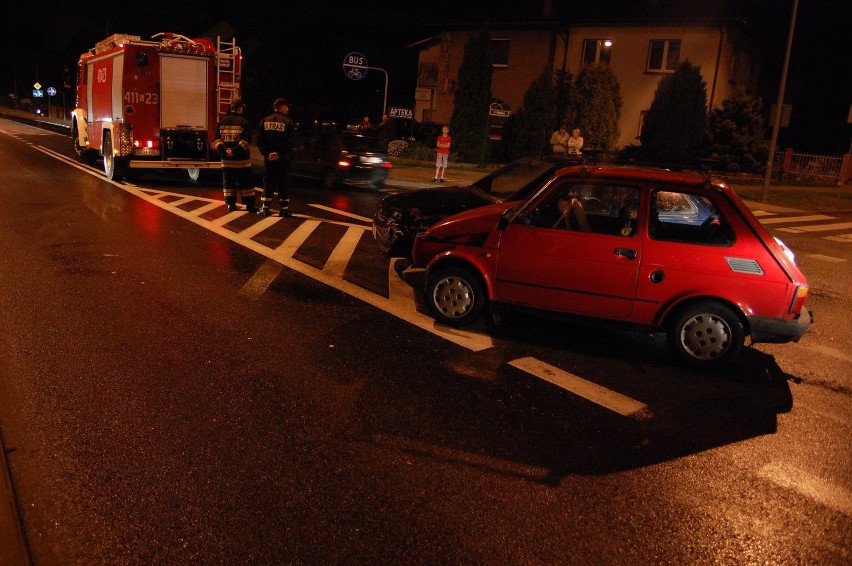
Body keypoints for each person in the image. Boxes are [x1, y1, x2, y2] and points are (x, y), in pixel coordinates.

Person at [212, 99, 256, 212]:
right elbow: (246, 141)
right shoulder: (244, 122)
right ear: (240, 109)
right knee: (246, 184)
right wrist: (235, 151)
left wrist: (225, 150)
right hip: (242, 162)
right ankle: (250, 205)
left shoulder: (222, 122)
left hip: (227, 161)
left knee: (228, 183)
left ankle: (230, 204)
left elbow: (216, 140)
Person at [257, 97, 296, 217]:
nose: (288, 108)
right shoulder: (288, 122)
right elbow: (291, 142)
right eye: (286, 106)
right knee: (283, 182)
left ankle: (265, 208)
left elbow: (259, 140)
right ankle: (284, 209)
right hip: (283, 160)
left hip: (269, 160)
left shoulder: (264, 121)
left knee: (268, 182)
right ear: (280, 107)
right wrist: (279, 153)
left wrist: (268, 153)